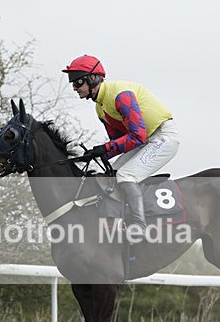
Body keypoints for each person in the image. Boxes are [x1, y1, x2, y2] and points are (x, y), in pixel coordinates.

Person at [62, 54, 180, 239]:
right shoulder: (100, 107)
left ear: (92, 79)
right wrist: (95, 154)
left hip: (162, 137)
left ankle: (139, 226)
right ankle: (118, 221)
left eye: (77, 83)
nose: (75, 89)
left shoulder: (120, 95)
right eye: (73, 85)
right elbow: (119, 142)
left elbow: (136, 136)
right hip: (145, 140)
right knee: (111, 175)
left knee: (126, 175)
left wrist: (105, 148)